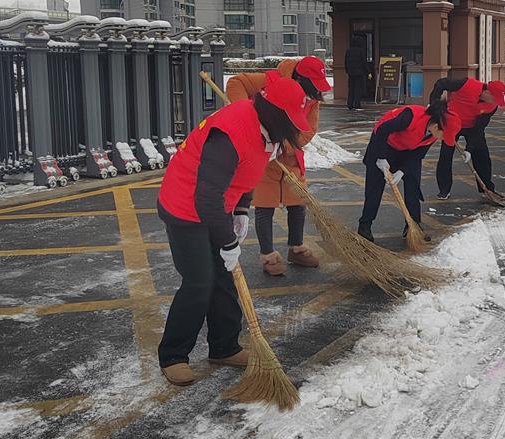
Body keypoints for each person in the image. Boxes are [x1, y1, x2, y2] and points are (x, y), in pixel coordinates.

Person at [156, 72, 313, 386]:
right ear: (276, 113)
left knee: (224, 278)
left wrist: (241, 210)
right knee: (200, 280)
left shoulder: (267, 132)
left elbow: (246, 173)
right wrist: (227, 241)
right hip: (185, 207)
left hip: (215, 207)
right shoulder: (231, 132)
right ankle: (173, 355)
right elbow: (206, 195)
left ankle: (224, 347)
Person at [225, 56, 331, 276]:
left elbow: (309, 129)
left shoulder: (312, 99)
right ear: (300, 78)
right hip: (262, 155)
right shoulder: (269, 80)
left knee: (297, 203)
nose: (314, 93)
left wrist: (284, 146)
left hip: (289, 156)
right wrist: (247, 119)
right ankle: (268, 255)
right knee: (265, 206)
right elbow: (236, 83)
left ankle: (297, 248)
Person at [357, 100, 456, 243]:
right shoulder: (411, 116)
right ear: (436, 126)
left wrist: (402, 171)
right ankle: (365, 226)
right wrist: (381, 157)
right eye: (445, 135)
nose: (444, 139)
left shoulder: (434, 133)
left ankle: (413, 225)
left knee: (413, 184)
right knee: (375, 187)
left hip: (408, 151)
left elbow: (418, 154)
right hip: (383, 144)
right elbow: (383, 129)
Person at [429, 76, 505, 200]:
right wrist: (435, 107)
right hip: (452, 123)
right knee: (446, 154)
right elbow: (440, 83)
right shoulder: (466, 84)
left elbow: (479, 127)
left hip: (473, 127)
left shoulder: (492, 107)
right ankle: (444, 189)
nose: (495, 102)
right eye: (494, 98)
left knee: (482, 155)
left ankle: (486, 188)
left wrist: (469, 149)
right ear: (486, 92)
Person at [344, 37, 369, 110]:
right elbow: (364, 62)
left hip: (351, 73)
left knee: (351, 89)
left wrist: (347, 71)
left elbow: (345, 62)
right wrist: (368, 71)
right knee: (358, 89)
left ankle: (350, 104)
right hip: (359, 73)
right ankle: (356, 104)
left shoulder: (348, 51)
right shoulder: (361, 51)